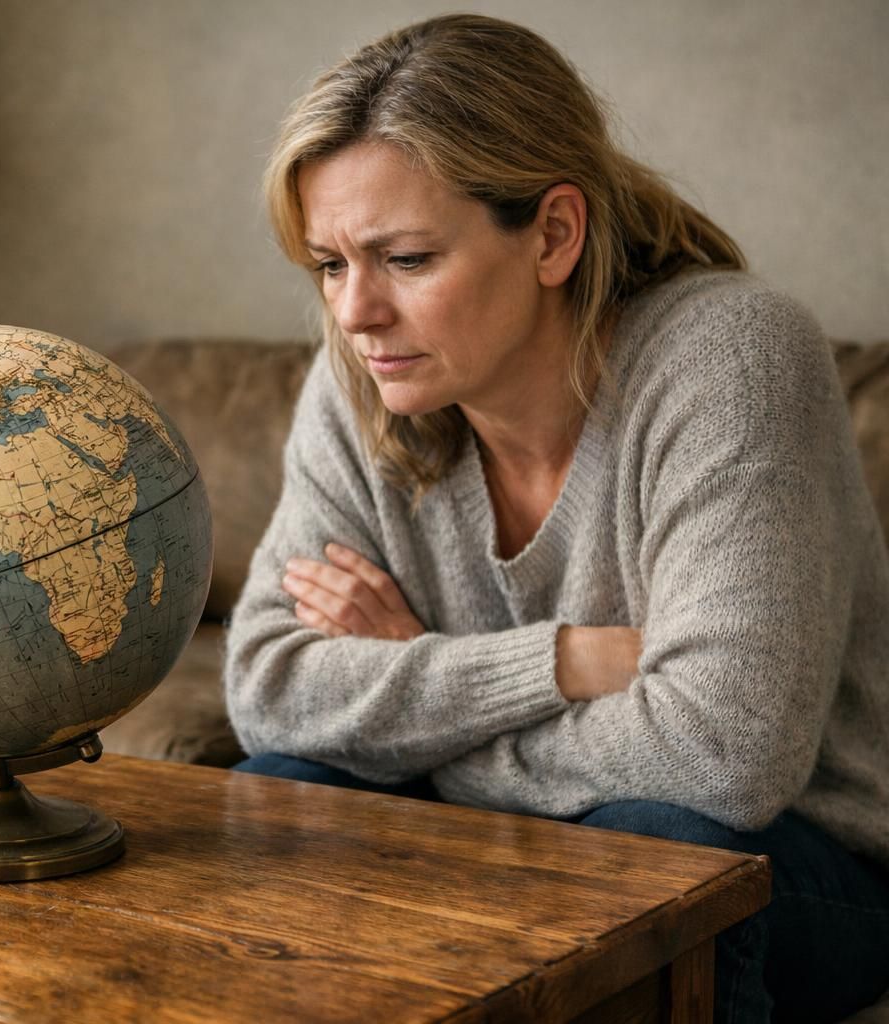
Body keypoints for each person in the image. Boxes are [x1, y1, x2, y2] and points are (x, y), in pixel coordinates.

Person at [224, 13, 889, 1023]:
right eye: (328, 263)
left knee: (644, 847)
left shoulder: (733, 358)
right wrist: (565, 661)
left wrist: (415, 702)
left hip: (800, 861)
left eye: (404, 259)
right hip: (558, 826)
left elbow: (723, 758)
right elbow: (269, 687)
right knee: (283, 786)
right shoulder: (361, 374)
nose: (354, 313)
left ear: (553, 234)